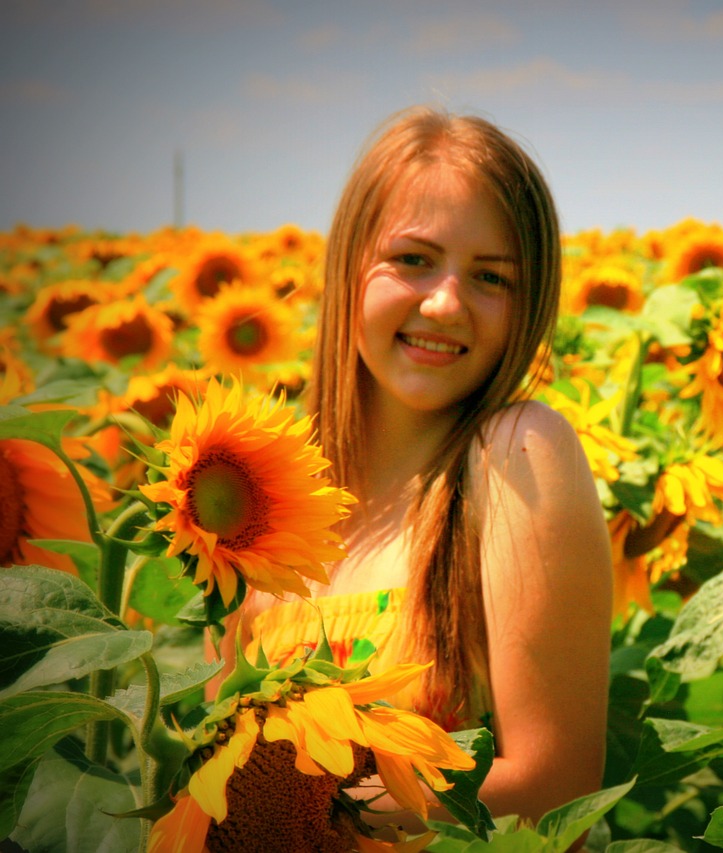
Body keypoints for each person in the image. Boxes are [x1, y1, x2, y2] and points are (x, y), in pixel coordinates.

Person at [217, 106, 613, 830]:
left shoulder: (516, 453)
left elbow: (555, 787)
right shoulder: (259, 509)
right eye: (413, 259)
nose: (446, 302)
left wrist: (291, 815)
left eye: (491, 276)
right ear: (349, 265)